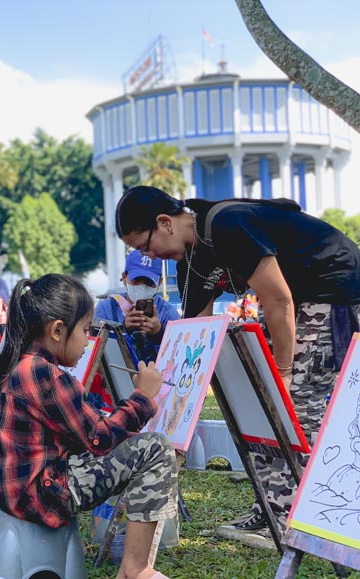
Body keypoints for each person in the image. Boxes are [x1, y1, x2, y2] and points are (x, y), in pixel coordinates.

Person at [115, 185, 360, 542]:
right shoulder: (192, 260)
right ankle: (271, 507)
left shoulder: (227, 224)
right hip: (291, 301)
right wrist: (177, 406)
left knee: (295, 406)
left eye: (144, 246)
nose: (149, 255)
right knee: (262, 404)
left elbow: (279, 299)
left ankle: (293, 519)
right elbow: (196, 336)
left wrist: (284, 373)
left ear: (165, 222)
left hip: (328, 290)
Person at [0, 274, 178, 579]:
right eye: (85, 330)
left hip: (2, 492)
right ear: (57, 330)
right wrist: (143, 397)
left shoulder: (14, 363)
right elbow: (100, 438)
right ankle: (135, 568)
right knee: (156, 448)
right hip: (36, 496)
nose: (88, 340)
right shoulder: (45, 375)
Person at [95, 249, 180, 364]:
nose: (142, 286)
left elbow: (178, 355)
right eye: (136, 280)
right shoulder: (106, 308)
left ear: (159, 282)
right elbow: (96, 352)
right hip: (118, 379)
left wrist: (159, 333)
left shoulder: (168, 313)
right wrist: (123, 330)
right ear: (124, 277)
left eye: (148, 282)